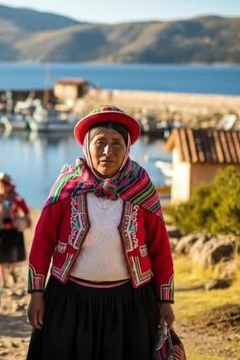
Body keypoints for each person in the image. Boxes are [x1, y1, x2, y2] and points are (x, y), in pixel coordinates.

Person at [26, 105, 175, 359]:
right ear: (87, 146)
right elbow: (42, 243)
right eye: (100, 142)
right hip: (70, 301)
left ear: (127, 148)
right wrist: (36, 294)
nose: (108, 151)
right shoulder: (67, 185)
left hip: (129, 303)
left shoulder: (141, 187)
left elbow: (159, 248)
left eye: (117, 143)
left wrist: (165, 300)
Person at [0, 172, 32, 287]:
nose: (4, 187)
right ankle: (3, 280)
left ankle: (12, 270)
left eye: (6, 184)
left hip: (14, 229)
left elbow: (25, 210)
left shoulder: (15, 197)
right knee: (0, 258)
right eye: (1, 184)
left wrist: (25, 220)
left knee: (14, 254)